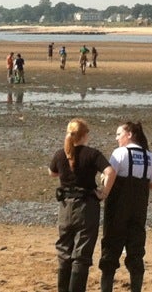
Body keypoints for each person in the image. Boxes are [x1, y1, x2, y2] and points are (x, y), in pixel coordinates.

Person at [49, 119, 117, 292]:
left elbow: (52, 172)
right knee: (81, 255)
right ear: (85, 135)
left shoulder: (60, 154)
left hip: (65, 207)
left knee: (64, 252)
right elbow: (110, 172)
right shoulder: (92, 154)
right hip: (86, 207)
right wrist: (104, 192)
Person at [99, 121, 152, 292]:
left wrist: (103, 190)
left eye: (119, 134)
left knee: (110, 251)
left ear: (129, 134)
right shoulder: (149, 156)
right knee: (136, 251)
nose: (116, 138)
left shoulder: (120, 153)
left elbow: (109, 175)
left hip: (117, 210)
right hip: (139, 211)